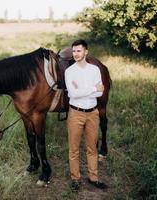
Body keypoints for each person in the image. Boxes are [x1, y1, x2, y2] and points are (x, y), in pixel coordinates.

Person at [65, 39, 107, 192]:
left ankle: (93, 177)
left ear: (86, 52)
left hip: (93, 113)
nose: (76, 54)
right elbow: (73, 94)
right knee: (74, 149)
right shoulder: (69, 72)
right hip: (76, 113)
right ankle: (75, 179)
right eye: (74, 51)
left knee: (92, 148)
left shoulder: (95, 70)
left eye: (79, 51)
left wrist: (83, 89)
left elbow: (100, 92)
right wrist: (91, 88)